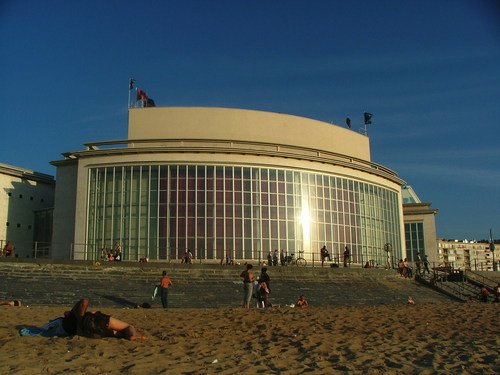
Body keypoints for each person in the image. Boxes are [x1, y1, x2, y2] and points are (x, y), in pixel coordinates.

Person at [20, 298, 144, 340]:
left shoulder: (72, 318)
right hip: (92, 330)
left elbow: (84, 301)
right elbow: (127, 329)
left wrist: (79, 320)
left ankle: (130, 336)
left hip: (81, 326)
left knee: (121, 330)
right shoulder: (105, 326)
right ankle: (131, 336)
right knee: (120, 331)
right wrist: (131, 336)